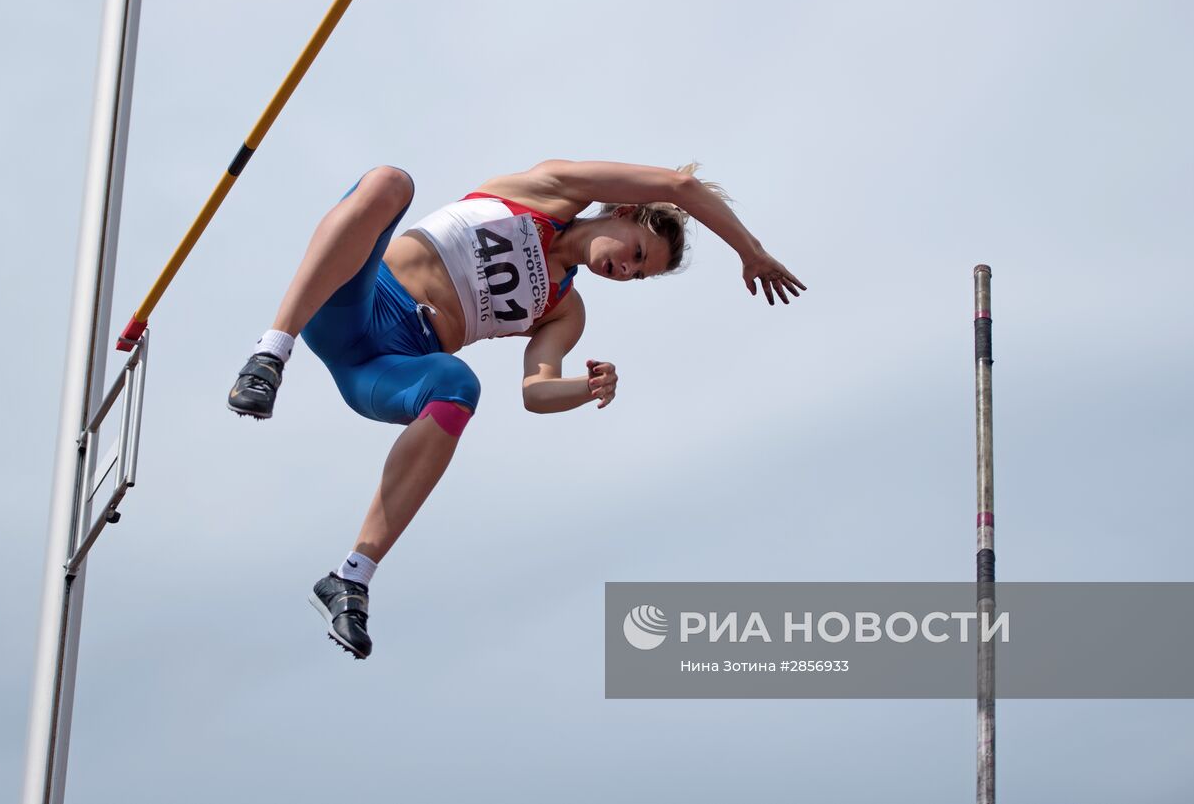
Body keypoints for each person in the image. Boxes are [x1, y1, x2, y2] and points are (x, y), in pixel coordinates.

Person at [227, 159, 805, 658]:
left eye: (636, 275)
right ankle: (270, 354)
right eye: (636, 253)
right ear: (625, 212)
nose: (625, 270)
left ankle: (350, 580)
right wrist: (750, 253)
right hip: (354, 302)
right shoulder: (545, 190)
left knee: (459, 384)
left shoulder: (564, 309)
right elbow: (679, 185)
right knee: (390, 182)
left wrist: (585, 388)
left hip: (385, 370)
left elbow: (534, 393)